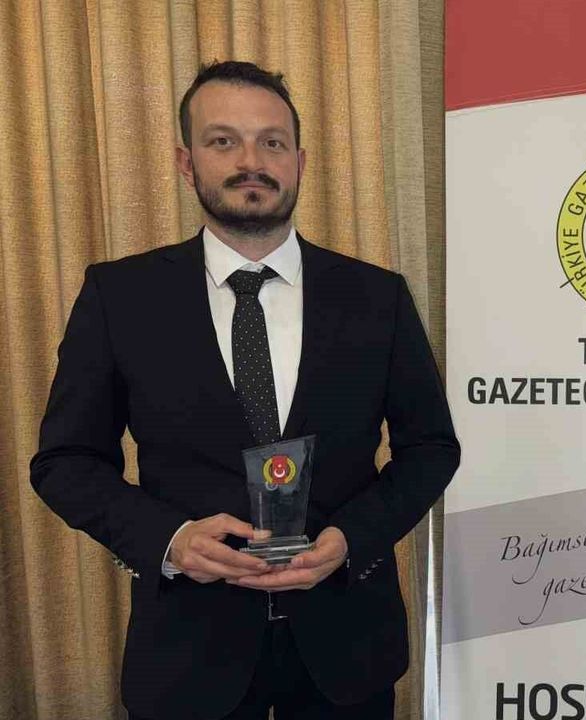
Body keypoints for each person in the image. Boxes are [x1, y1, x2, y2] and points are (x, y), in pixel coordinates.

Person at [30, 60, 459, 720]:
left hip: (346, 652)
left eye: (272, 142)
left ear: (300, 162)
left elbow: (430, 448)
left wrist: (352, 537)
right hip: (187, 658)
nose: (251, 161)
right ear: (187, 162)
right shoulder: (121, 297)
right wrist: (169, 538)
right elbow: (65, 462)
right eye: (223, 140)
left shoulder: (378, 297)